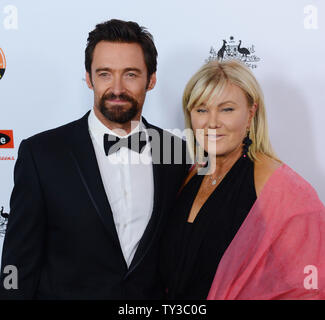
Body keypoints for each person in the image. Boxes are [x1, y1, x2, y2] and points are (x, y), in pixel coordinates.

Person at [0, 19, 189, 299]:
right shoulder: (42, 154)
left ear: (151, 80)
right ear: (88, 79)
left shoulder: (176, 151)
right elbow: (16, 264)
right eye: (104, 74)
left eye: (131, 74)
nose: (117, 88)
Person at [160, 59, 325, 300]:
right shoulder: (189, 175)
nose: (212, 122)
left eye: (227, 109)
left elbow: (310, 288)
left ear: (250, 114)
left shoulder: (282, 188)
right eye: (201, 109)